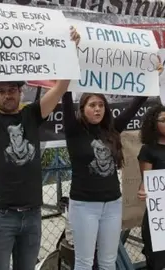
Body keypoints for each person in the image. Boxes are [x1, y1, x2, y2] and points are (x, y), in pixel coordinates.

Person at [0, 22, 81, 269]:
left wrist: (71, 50)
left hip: (33, 215)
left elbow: (60, 87)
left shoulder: (32, 115)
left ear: (20, 91)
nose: (7, 95)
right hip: (0, 216)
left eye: (12, 89)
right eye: (1, 91)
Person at [60, 83, 162, 269]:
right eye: (92, 105)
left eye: (101, 105)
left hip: (113, 206)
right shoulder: (74, 131)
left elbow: (135, 105)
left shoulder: (112, 130)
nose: (97, 109)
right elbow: (65, 98)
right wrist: (66, 72)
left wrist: (151, 76)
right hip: (84, 207)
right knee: (84, 261)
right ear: (82, 110)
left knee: (108, 261)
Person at [137, 103, 165, 270]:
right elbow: (146, 182)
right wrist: (143, 190)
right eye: (163, 120)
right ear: (154, 125)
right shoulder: (148, 150)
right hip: (159, 219)